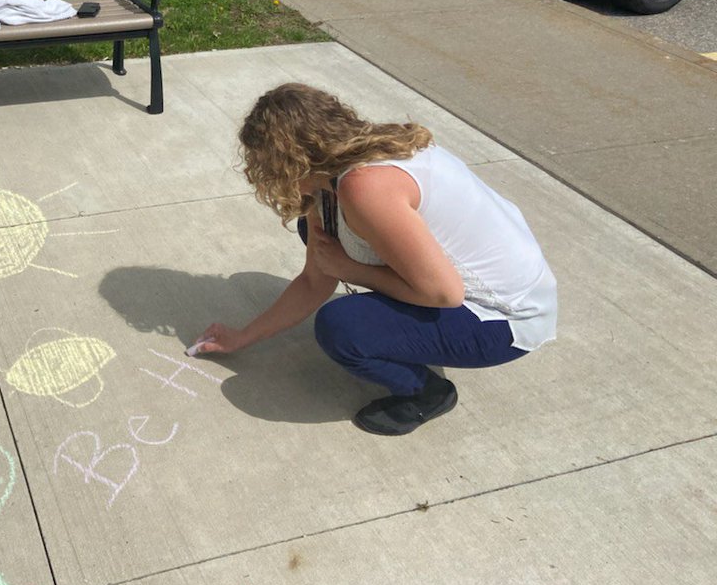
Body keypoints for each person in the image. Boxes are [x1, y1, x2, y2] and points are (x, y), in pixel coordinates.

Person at [193, 83, 557, 435]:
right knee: (320, 235)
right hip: (487, 287)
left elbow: (445, 294)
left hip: (507, 320)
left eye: (268, 167)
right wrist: (242, 337)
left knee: (343, 327)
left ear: (291, 162)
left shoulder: (364, 187)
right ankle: (408, 334)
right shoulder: (342, 166)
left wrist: (351, 270)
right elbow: (314, 281)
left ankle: (425, 393)